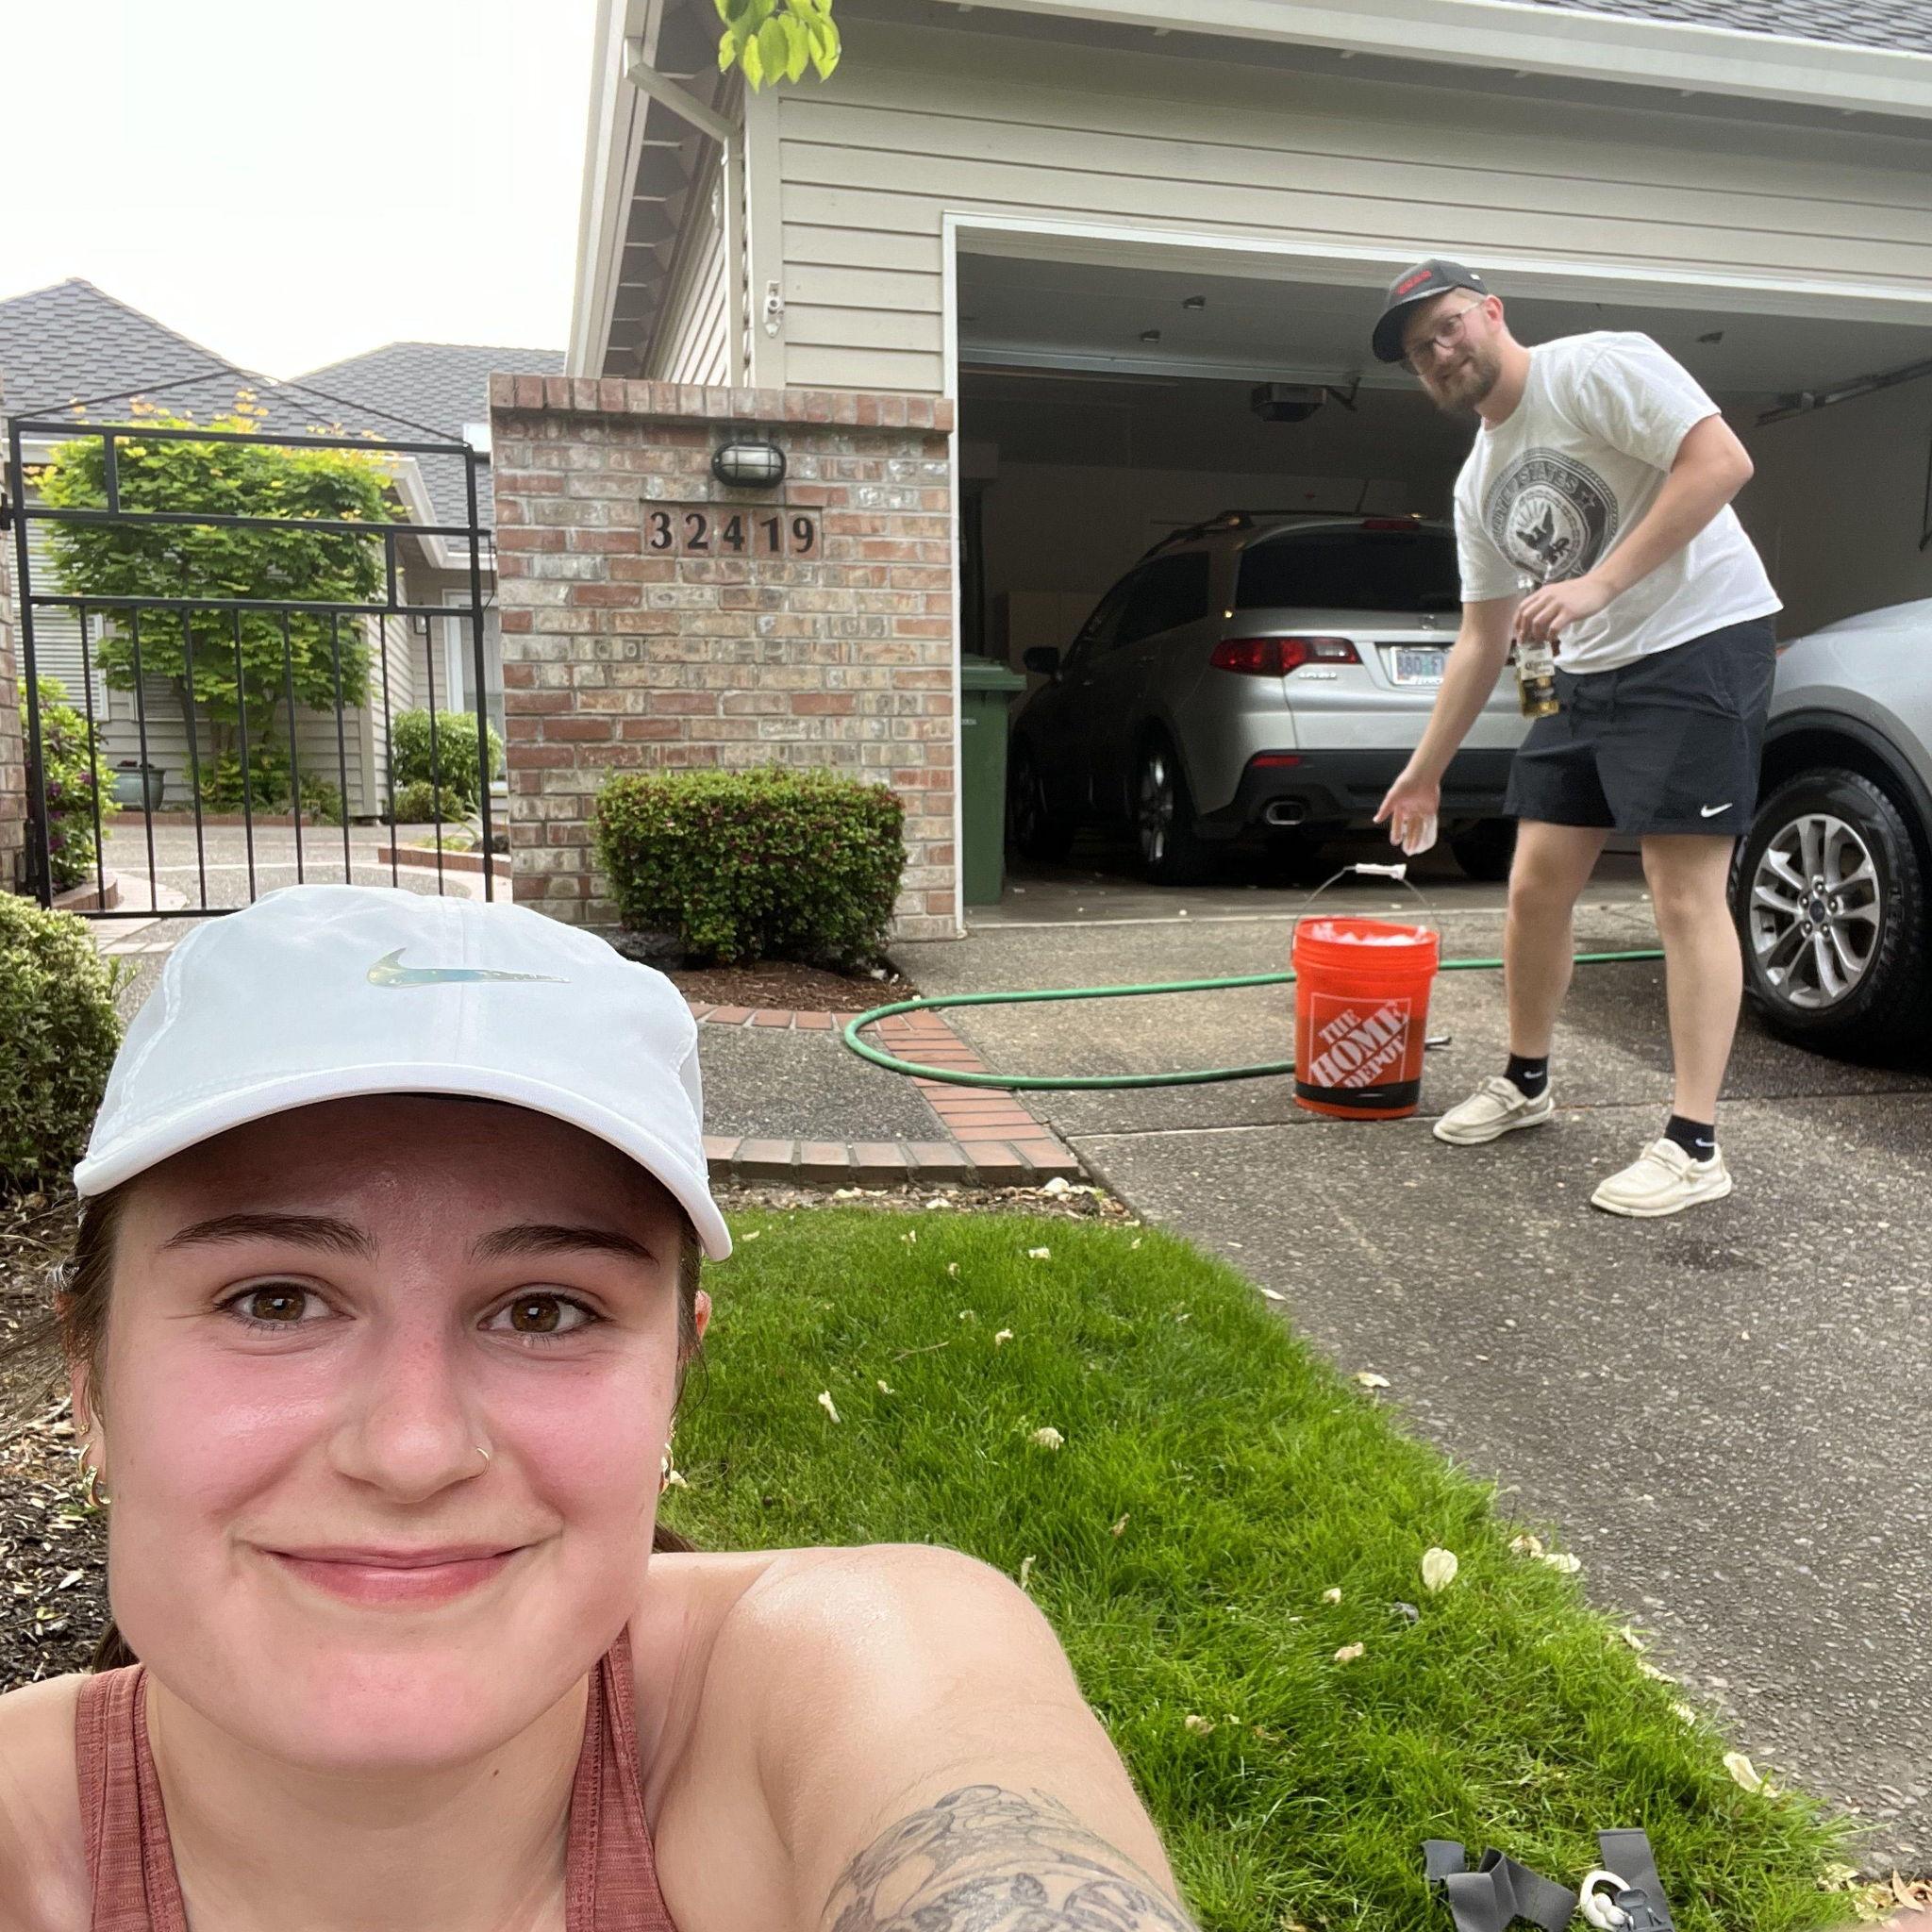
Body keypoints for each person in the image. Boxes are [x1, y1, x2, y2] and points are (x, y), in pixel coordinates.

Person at [0, 884, 1196, 1932]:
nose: (413, 1449)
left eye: (541, 1311)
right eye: (274, 1299)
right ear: (91, 1375)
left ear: (673, 1377)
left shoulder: (846, 1669)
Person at [1370, 259, 1781, 1218]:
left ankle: (1691, 1143)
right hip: (1579, 675)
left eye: (1444, 326)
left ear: (1488, 313)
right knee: (1532, 882)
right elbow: (1481, 635)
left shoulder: (1593, 368)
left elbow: (1720, 462)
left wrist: (1598, 585)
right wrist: (1423, 773)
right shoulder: (1476, 479)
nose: (1436, 352)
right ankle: (1524, 1078)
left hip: (1694, 645)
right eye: (1416, 349)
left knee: (1680, 892)